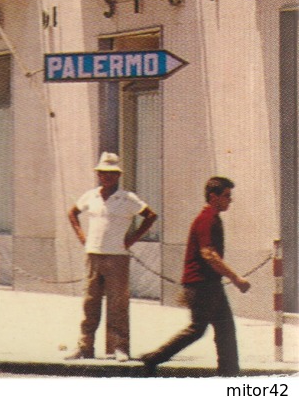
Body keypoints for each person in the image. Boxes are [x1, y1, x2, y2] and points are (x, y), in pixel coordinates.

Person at [141, 176, 251, 375]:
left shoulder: (212, 217)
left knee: (225, 329)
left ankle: (230, 375)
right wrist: (236, 279)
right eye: (226, 195)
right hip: (201, 284)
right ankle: (153, 358)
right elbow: (208, 253)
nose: (230, 200)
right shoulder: (207, 219)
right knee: (198, 329)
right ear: (213, 196)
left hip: (209, 284)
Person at [65, 151, 157, 360]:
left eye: (111, 173)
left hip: (117, 256)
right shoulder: (91, 195)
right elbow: (72, 213)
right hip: (93, 255)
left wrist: (132, 239)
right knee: (90, 302)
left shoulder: (127, 198)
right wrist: (82, 237)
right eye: (103, 173)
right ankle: (85, 346)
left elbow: (150, 216)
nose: (107, 176)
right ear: (98, 174)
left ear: (118, 176)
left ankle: (119, 347)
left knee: (118, 303)